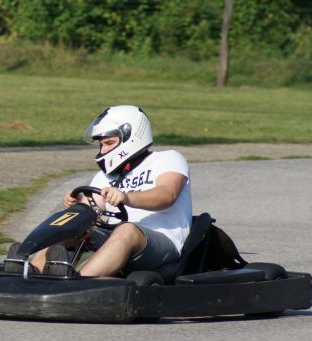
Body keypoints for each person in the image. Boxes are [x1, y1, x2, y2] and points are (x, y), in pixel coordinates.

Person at [18, 105, 192, 277]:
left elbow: (167, 195)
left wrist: (126, 197)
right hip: (115, 237)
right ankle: (30, 272)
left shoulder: (168, 158)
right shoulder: (105, 176)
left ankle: (78, 282)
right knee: (69, 229)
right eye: (101, 145)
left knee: (127, 229)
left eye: (109, 143)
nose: (103, 150)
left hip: (162, 243)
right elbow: (91, 208)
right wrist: (76, 206)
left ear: (133, 136)